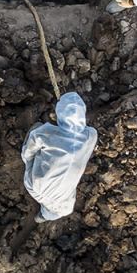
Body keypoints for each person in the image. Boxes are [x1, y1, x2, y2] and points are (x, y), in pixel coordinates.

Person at [20, 92, 97, 222]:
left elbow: (28, 152)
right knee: (63, 206)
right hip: (61, 187)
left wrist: (29, 160)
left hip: (38, 185)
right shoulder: (91, 136)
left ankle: (44, 215)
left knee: (36, 131)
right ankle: (44, 216)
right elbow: (87, 130)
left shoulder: (46, 132)